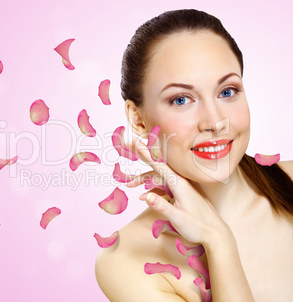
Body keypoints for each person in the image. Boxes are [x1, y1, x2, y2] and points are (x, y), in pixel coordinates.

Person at [95, 9, 293, 302]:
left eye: (227, 92)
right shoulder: (125, 260)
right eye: (181, 99)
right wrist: (218, 240)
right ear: (137, 120)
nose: (214, 122)